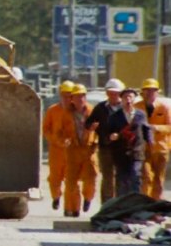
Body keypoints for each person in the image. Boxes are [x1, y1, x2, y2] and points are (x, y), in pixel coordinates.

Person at [59, 84, 98, 217]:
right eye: (77, 96)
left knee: (91, 178)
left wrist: (95, 142)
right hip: (73, 150)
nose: (80, 99)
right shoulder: (66, 114)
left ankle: (88, 198)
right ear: (72, 99)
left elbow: (100, 129)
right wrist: (64, 140)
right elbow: (61, 132)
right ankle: (74, 209)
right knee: (71, 181)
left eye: (82, 96)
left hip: (88, 150)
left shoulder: (93, 112)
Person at [84, 77, 124, 205]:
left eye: (116, 93)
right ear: (107, 93)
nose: (113, 96)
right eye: (111, 93)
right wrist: (91, 126)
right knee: (107, 177)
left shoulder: (126, 108)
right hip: (105, 147)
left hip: (123, 149)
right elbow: (89, 123)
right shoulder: (101, 108)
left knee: (121, 177)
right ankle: (107, 205)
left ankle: (120, 205)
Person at [106, 87, 152, 197]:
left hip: (136, 152)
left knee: (135, 176)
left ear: (134, 99)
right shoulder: (114, 117)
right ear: (121, 100)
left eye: (130, 97)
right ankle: (121, 205)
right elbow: (107, 133)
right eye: (125, 97)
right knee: (121, 179)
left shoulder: (141, 115)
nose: (128, 100)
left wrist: (150, 142)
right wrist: (112, 136)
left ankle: (135, 204)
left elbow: (146, 130)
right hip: (120, 153)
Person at [134, 78, 171, 199]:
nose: (150, 93)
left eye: (153, 90)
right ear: (142, 92)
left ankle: (155, 204)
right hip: (143, 148)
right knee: (146, 177)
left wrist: (156, 128)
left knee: (159, 180)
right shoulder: (137, 107)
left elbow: (169, 127)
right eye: (147, 90)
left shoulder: (164, 108)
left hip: (161, 148)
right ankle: (145, 204)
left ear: (157, 92)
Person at [42, 80, 75, 210]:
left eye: (70, 96)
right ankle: (56, 197)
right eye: (64, 96)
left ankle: (70, 206)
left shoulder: (76, 111)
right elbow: (46, 129)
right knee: (54, 178)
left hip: (72, 151)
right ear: (60, 95)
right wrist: (55, 140)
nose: (67, 99)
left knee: (71, 178)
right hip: (56, 150)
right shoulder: (52, 111)